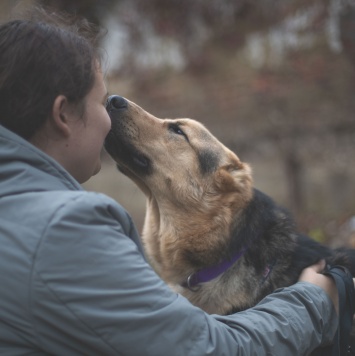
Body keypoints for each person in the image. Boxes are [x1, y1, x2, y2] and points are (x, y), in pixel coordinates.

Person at [0, 6, 343, 355]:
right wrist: (315, 300)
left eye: (175, 130)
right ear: (62, 115)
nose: (111, 115)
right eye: (102, 103)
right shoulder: (63, 227)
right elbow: (208, 349)